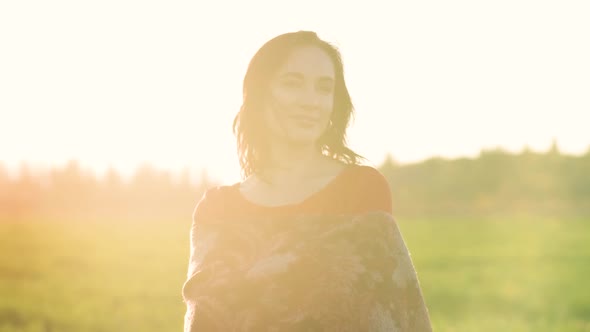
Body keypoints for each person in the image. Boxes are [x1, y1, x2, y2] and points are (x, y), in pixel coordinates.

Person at [181, 30, 432, 331]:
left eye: (324, 88)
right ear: (259, 93)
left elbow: (390, 308)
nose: (311, 101)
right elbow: (205, 319)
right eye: (293, 84)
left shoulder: (361, 189)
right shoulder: (218, 208)